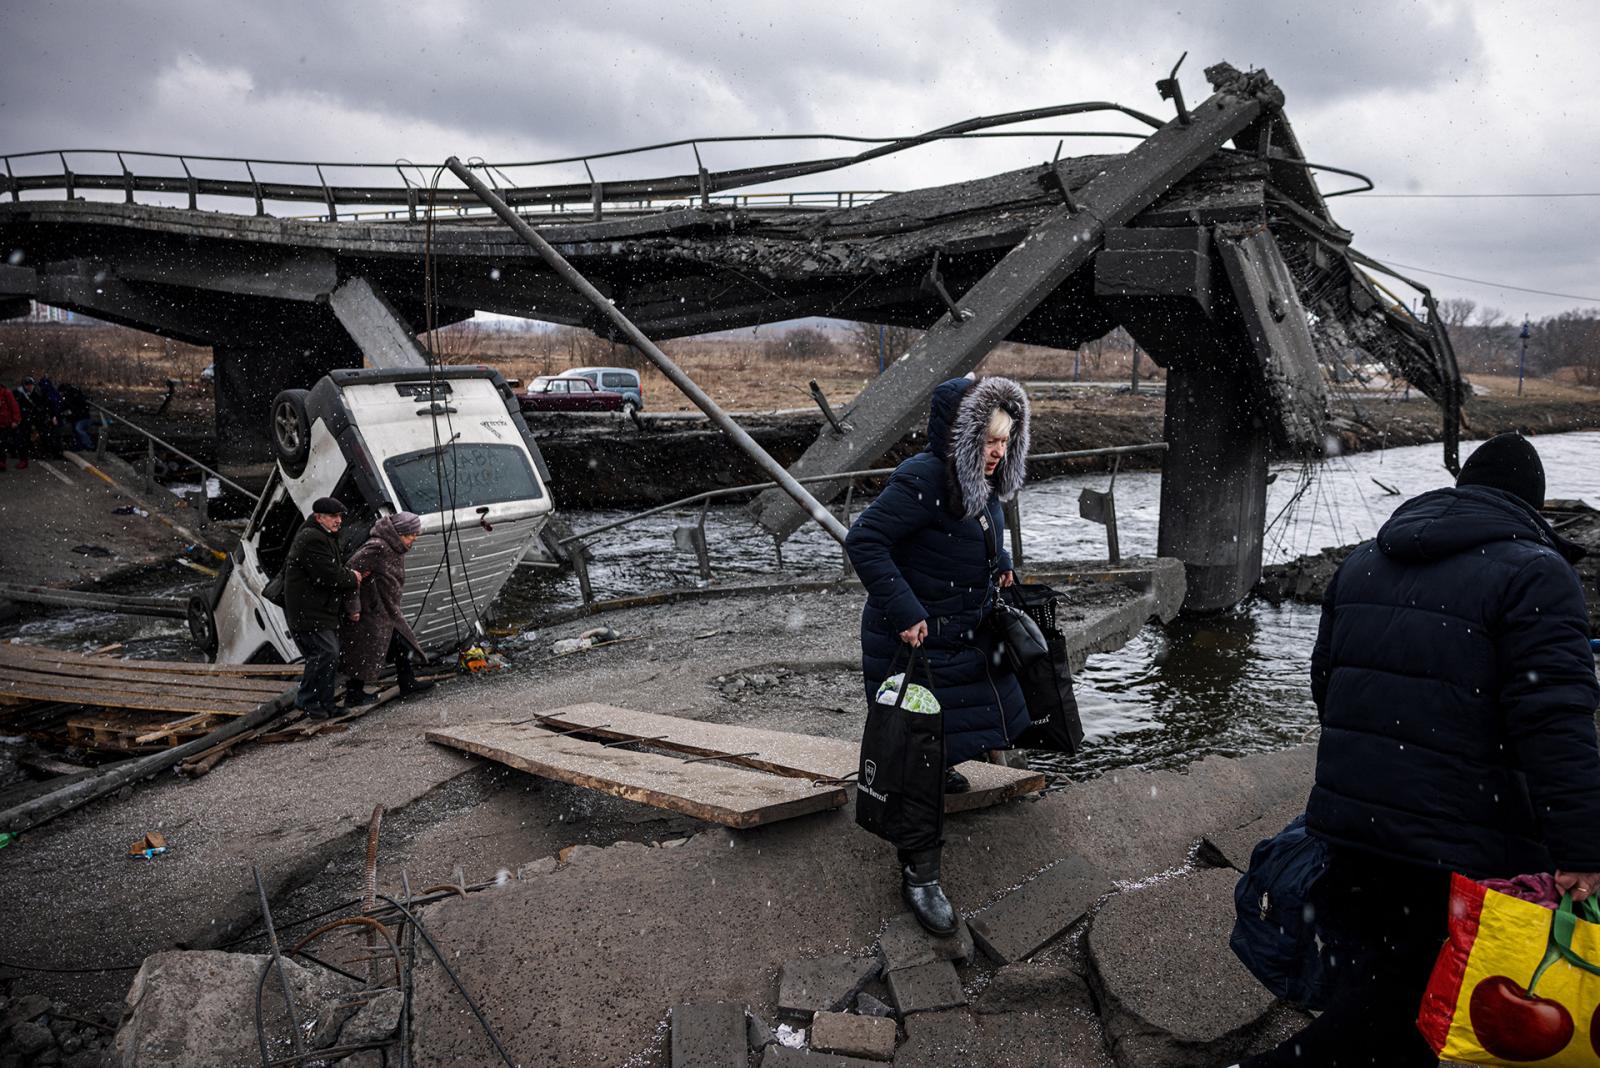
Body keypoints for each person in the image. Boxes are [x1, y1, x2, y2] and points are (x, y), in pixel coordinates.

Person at [1241, 432, 1600, 1067]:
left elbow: (1328, 687)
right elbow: (1556, 725)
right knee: (1404, 1020)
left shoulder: (1364, 562)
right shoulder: (1538, 575)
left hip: (1350, 830)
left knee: (1374, 998)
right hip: (1458, 848)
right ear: (1533, 506)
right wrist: (1581, 849)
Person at [844, 375, 1032, 935]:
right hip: (912, 641)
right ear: (960, 436)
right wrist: (906, 612)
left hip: (956, 636)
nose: (998, 453)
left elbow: (980, 526)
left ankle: (941, 764)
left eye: (1006, 441)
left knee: (952, 728)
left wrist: (998, 561)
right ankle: (920, 874)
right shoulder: (922, 477)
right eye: (989, 441)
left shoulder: (979, 479)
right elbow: (865, 541)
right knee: (912, 750)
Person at [339, 511, 434, 706]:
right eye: (410, 535)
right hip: (373, 608)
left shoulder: (394, 547)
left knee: (398, 643)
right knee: (365, 649)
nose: (413, 539)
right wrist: (354, 606)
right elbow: (350, 571)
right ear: (399, 532)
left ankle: (407, 681)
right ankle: (353, 693)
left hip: (386, 607)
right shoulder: (377, 547)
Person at [283, 497, 363, 719]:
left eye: (339, 516)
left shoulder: (323, 535)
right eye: (333, 517)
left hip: (319, 610)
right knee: (325, 654)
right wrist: (353, 577)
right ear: (319, 517)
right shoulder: (312, 539)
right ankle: (307, 699)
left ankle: (325, 703)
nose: (338, 521)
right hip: (308, 612)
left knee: (328, 656)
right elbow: (329, 575)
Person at [13, 377, 53, 466]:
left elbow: (44, 405)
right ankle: (23, 455)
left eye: (31, 385)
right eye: (27, 385)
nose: (29, 387)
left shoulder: (38, 393)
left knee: (44, 434)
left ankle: (47, 452)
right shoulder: (18, 393)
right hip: (25, 418)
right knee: (22, 436)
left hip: (36, 417)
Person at [0, 380, 21, 471]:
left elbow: (14, 407)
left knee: (2, 444)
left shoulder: (6, 393)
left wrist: (15, 420)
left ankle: (2, 462)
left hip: (4, 424)